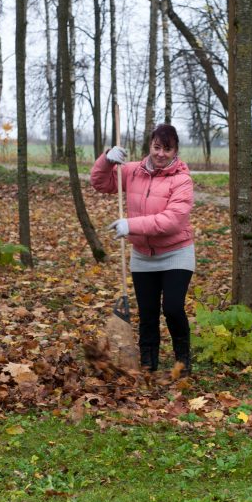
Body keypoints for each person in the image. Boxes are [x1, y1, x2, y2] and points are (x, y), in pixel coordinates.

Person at [90, 124, 195, 373]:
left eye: (167, 149)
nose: (160, 154)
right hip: (142, 256)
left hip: (176, 253)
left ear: (175, 151)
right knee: (147, 313)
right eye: (157, 147)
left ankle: (183, 360)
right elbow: (100, 183)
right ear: (150, 146)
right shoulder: (132, 172)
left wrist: (131, 225)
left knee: (172, 308)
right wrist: (106, 160)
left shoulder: (182, 180)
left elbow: (172, 221)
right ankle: (149, 364)